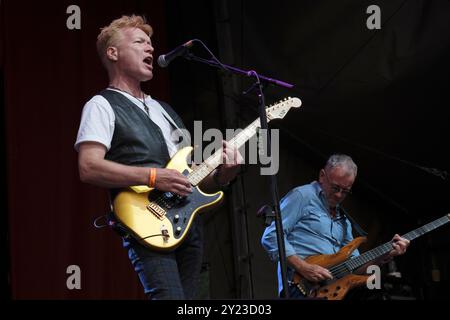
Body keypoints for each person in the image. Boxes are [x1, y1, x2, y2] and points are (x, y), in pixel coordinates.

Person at [75, 15, 242, 299]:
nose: (150, 49)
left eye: (151, 44)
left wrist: (225, 173)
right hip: (147, 219)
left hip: (188, 225)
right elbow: (89, 167)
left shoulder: (165, 110)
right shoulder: (101, 105)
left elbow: (191, 179)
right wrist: (153, 176)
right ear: (113, 53)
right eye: (140, 42)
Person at [261, 154, 410, 298]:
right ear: (322, 176)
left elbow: (355, 266)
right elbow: (271, 235)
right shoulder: (302, 196)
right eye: (335, 187)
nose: (339, 195)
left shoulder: (344, 220)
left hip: (331, 292)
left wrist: (385, 255)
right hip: (300, 288)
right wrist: (303, 267)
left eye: (345, 191)